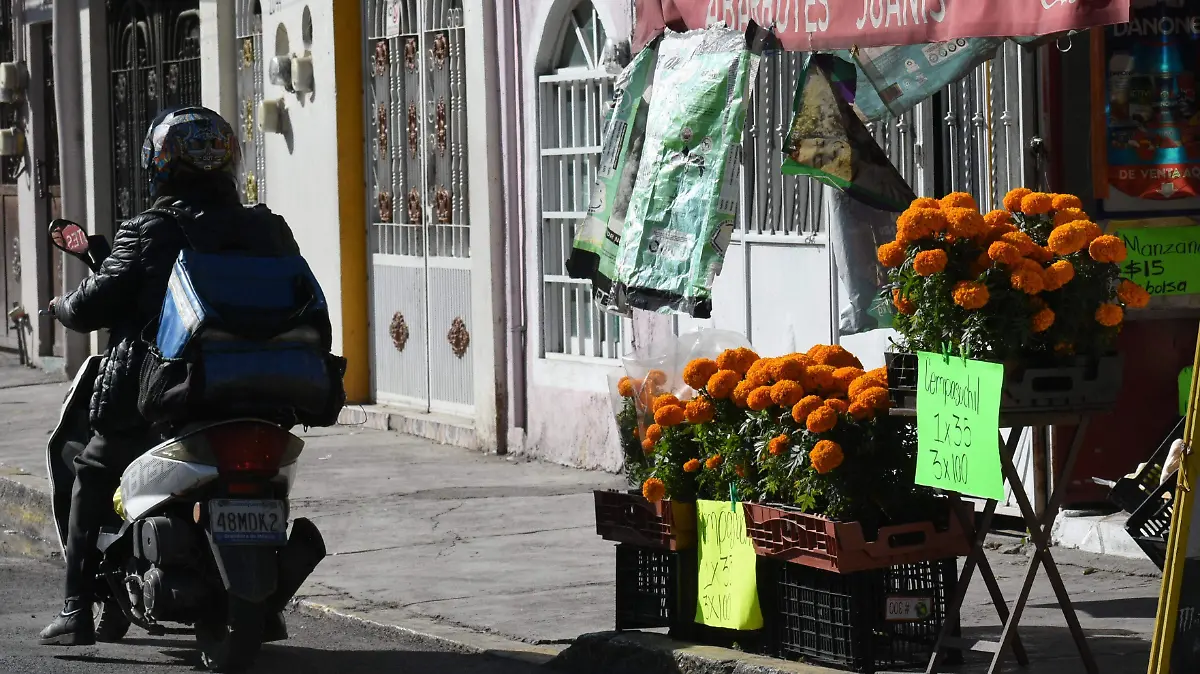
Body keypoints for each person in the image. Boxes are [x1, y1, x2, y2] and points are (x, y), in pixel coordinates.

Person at [40, 106, 301, 645]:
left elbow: (94, 306)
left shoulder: (151, 230)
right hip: (265, 392)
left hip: (164, 394)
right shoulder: (268, 228)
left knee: (92, 470)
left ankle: (75, 610)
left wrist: (60, 306)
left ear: (159, 165)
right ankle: (259, 590)